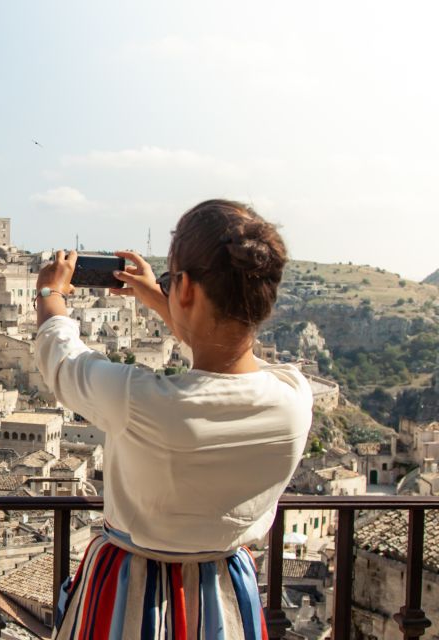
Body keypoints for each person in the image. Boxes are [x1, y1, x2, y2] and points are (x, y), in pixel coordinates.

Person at [34, 199, 313, 639]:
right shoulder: (294, 398)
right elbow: (227, 356)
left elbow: (62, 360)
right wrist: (161, 296)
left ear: (186, 290)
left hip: (129, 592)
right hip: (224, 592)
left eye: (172, 280)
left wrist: (51, 294)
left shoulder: (141, 400)